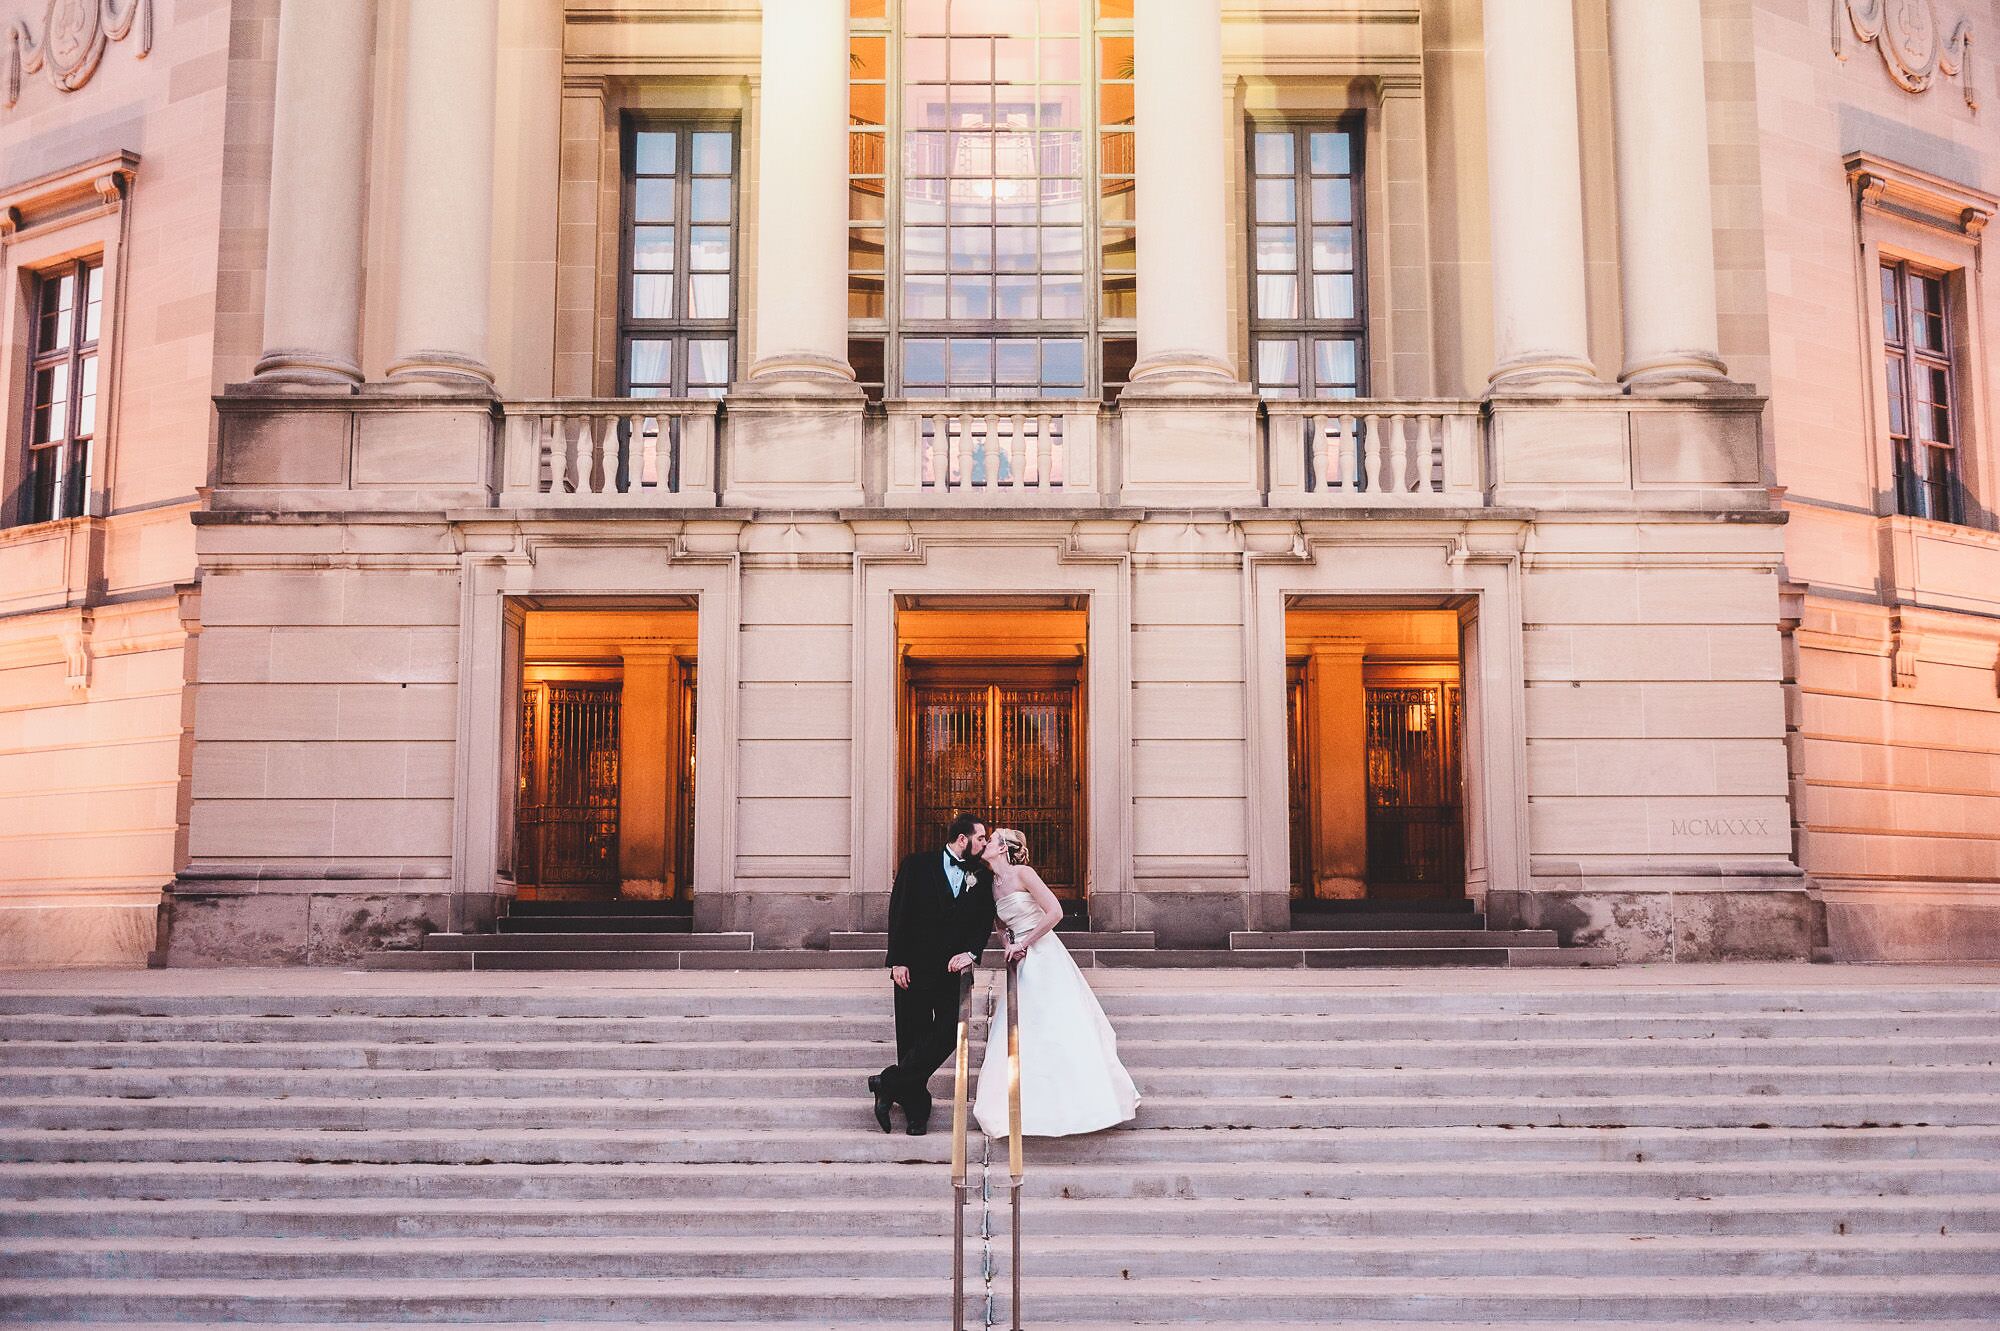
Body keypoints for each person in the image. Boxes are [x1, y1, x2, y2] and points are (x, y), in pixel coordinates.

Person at [972, 827, 1139, 1138]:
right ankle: (1021, 1102)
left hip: (1043, 952)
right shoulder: (990, 884)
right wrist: (1008, 943)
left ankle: (1080, 1102)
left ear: (1003, 849)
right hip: (1018, 958)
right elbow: (998, 924)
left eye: (991, 839)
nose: (986, 843)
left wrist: (1026, 942)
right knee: (1022, 1025)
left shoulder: (1023, 874)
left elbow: (1054, 912)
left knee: (1054, 1022)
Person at [870, 813, 997, 1136]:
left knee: (950, 1032)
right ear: (963, 839)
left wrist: (971, 953)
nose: (984, 844)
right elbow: (899, 912)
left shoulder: (981, 877)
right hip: (912, 967)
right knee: (911, 1036)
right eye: (981, 838)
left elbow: (983, 921)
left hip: (952, 972)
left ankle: (888, 1082)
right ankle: (917, 1112)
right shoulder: (916, 864)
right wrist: (897, 961)